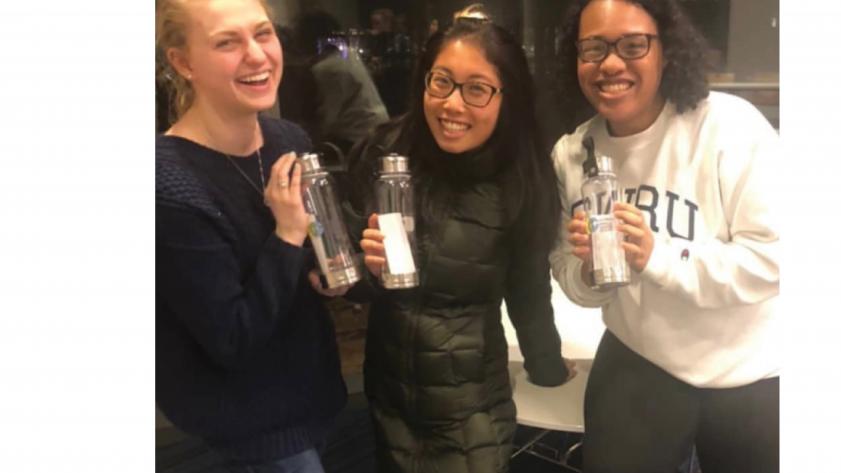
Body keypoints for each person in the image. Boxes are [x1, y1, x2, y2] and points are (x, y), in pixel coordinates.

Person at [551, 1, 780, 472]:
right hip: (640, 359)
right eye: (592, 48)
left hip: (749, 368)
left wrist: (658, 256)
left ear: (667, 50)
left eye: (633, 45)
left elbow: (773, 262)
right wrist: (593, 273)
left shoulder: (730, 128)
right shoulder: (574, 153)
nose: (610, 63)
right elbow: (571, 278)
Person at [348, 12, 575, 473]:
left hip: (468, 408)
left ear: (505, 97)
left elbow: (529, 293)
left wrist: (547, 367)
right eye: (442, 82)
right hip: (387, 397)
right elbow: (349, 279)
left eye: (477, 89)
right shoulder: (385, 153)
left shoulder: (521, 179)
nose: (453, 105)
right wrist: (363, 270)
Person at [155, 0, 348, 471]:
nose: (257, 55)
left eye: (262, 33)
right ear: (183, 62)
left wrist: (325, 271)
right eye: (227, 42)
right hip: (249, 427)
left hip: (314, 397)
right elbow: (232, 338)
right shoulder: (167, 185)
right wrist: (286, 236)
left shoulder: (288, 140)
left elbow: (298, 268)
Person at [288, 9, 389, 154]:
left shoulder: (327, 68)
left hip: (358, 136)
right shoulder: (347, 54)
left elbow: (329, 118)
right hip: (376, 128)